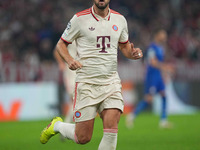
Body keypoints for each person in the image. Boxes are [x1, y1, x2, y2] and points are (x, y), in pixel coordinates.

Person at [40, 0, 143, 149]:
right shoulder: (79, 19)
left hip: (111, 82)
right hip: (87, 83)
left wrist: (132, 54)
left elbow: (124, 46)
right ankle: (57, 125)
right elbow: (61, 45)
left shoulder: (120, 20)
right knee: (82, 137)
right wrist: (69, 60)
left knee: (112, 126)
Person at [126, 29, 174, 129]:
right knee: (148, 99)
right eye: (162, 34)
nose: (164, 37)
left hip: (158, 76)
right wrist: (165, 67)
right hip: (152, 76)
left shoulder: (160, 48)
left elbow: (159, 62)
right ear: (157, 35)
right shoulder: (152, 47)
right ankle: (132, 115)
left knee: (164, 95)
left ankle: (163, 121)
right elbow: (152, 62)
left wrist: (163, 73)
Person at [54, 42, 77, 124]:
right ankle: (65, 126)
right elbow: (57, 50)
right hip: (71, 72)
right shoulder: (70, 34)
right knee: (75, 99)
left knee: (77, 100)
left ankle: (66, 126)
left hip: (81, 71)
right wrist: (61, 63)